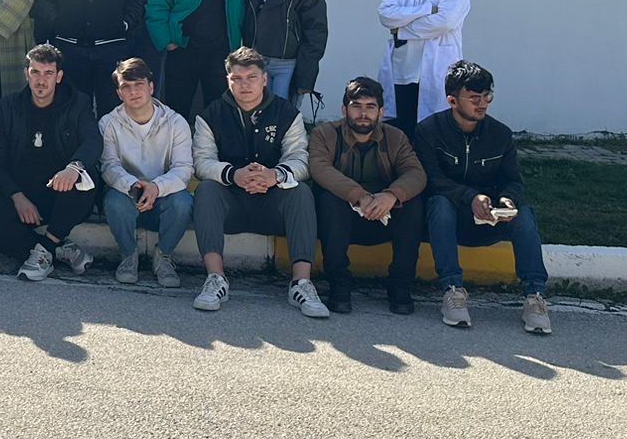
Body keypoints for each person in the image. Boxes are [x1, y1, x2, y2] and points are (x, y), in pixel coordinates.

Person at [414, 60, 551, 334]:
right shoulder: (429, 131)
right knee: (439, 204)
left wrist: (508, 200)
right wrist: (470, 197)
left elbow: (513, 180)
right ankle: (453, 291)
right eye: (475, 98)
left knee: (524, 214)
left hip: (490, 217)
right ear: (452, 100)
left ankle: (535, 296)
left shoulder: (500, 134)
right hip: (448, 219)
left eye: (487, 96)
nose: (482, 104)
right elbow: (431, 180)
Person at [189, 47, 321, 316]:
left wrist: (275, 176)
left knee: (301, 192)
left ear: (264, 79)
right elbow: (202, 162)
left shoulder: (286, 113)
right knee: (206, 189)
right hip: (231, 204)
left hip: (272, 202)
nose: (244, 85)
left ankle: (301, 284)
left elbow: (301, 160)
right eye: (237, 78)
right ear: (228, 80)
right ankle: (215, 279)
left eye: (251, 77)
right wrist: (234, 175)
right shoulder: (210, 114)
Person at [0, 43, 100, 282]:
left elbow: (93, 141)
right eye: (35, 72)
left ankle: (44, 252)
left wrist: (73, 167)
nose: (41, 80)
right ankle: (56, 249)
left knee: (86, 178)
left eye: (48, 73)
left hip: (62, 193)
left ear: (59, 76)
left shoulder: (78, 103)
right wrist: (16, 196)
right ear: (26, 74)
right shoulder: (8, 107)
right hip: (25, 192)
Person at [310, 76, 427, 315]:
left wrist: (391, 196)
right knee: (330, 199)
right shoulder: (325, 134)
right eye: (356, 106)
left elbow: (416, 173)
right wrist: (359, 196)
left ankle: (400, 285)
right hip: (340, 219)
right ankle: (339, 283)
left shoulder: (396, 137)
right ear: (344, 109)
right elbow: (320, 169)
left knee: (413, 204)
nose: (363, 114)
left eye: (370, 107)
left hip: (384, 216)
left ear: (381, 112)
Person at [99, 56, 194, 288]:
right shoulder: (108, 124)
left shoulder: (176, 123)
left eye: (139, 84)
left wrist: (156, 187)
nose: (133, 92)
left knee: (183, 202)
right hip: (128, 193)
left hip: (163, 194)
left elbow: (184, 169)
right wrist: (132, 184)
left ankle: (163, 256)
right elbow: (109, 166)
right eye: (126, 87)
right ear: (119, 93)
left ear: (151, 87)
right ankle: (128, 255)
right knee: (113, 201)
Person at [379, 0, 470, 126]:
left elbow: (445, 22)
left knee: (434, 128)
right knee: (402, 127)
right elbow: (385, 14)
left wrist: (402, 30)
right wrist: (427, 9)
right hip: (404, 67)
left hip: (438, 66)